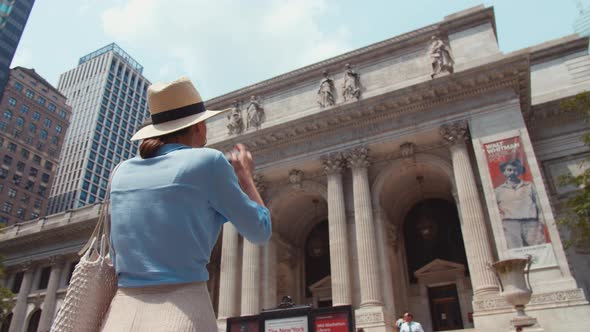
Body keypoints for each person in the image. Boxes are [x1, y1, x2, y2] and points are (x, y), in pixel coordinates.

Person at [100, 76, 271, 331]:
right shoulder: (209, 162)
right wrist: (246, 178)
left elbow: (116, 252)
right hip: (183, 314)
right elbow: (260, 230)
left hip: (119, 316)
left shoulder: (119, 172)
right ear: (199, 127)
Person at [494, 158, 545, 249]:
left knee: (539, 249)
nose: (513, 172)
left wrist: (541, 219)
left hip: (531, 223)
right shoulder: (498, 191)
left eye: (515, 169)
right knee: (515, 251)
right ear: (504, 172)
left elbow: (538, 203)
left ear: (519, 171)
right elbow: (494, 210)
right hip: (510, 225)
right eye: (509, 170)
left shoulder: (529, 186)